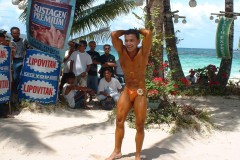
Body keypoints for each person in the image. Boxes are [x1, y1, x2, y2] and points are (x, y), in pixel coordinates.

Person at [106, 29, 152, 160]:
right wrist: (126, 31)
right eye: (126, 40)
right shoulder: (121, 51)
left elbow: (148, 33)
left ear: (138, 41)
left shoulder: (144, 51)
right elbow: (114, 34)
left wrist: (136, 30)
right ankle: (117, 151)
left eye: (132, 40)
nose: (128, 43)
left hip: (139, 91)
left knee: (140, 124)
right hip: (127, 90)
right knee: (119, 121)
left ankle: (137, 156)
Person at [69, 40, 92, 106]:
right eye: (78, 45)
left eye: (80, 45)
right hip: (74, 74)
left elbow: (89, 65)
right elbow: (71, 62)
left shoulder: (87, 55)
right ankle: (73, 102)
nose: (78, 46)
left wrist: (85, 72)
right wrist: (71, 72)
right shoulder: (74, 53)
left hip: (83, 75)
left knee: (84, 89)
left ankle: (84, 103)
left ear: (85, 46)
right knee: (73, 88)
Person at [10, 27, 29, 93]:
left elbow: (29, 49)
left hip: (24, 60)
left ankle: (22, 92)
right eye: (14, 33)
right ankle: (15, 92)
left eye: (18, 33)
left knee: (23, 76)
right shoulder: (11, 43)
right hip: (15, 61)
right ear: (11, 34)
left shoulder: (24, 40)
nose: (16, 34)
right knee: (15, 78)